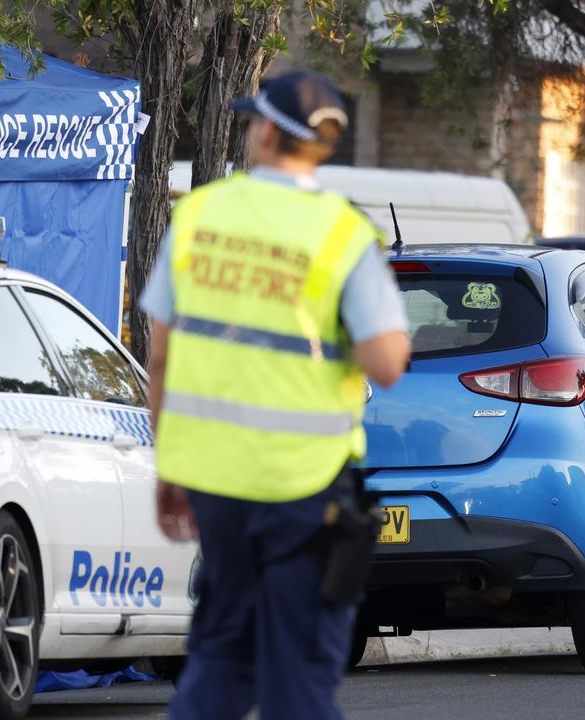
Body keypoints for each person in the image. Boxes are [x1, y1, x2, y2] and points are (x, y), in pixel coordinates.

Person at [141, 70, 412, 720]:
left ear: (265, 130)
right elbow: (388, 362)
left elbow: (159, 354)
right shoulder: (343, 234)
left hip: (216, 485)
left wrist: (170, 469)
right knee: (301, 681)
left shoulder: (200, 213)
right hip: (305, 488)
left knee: (221, 659)